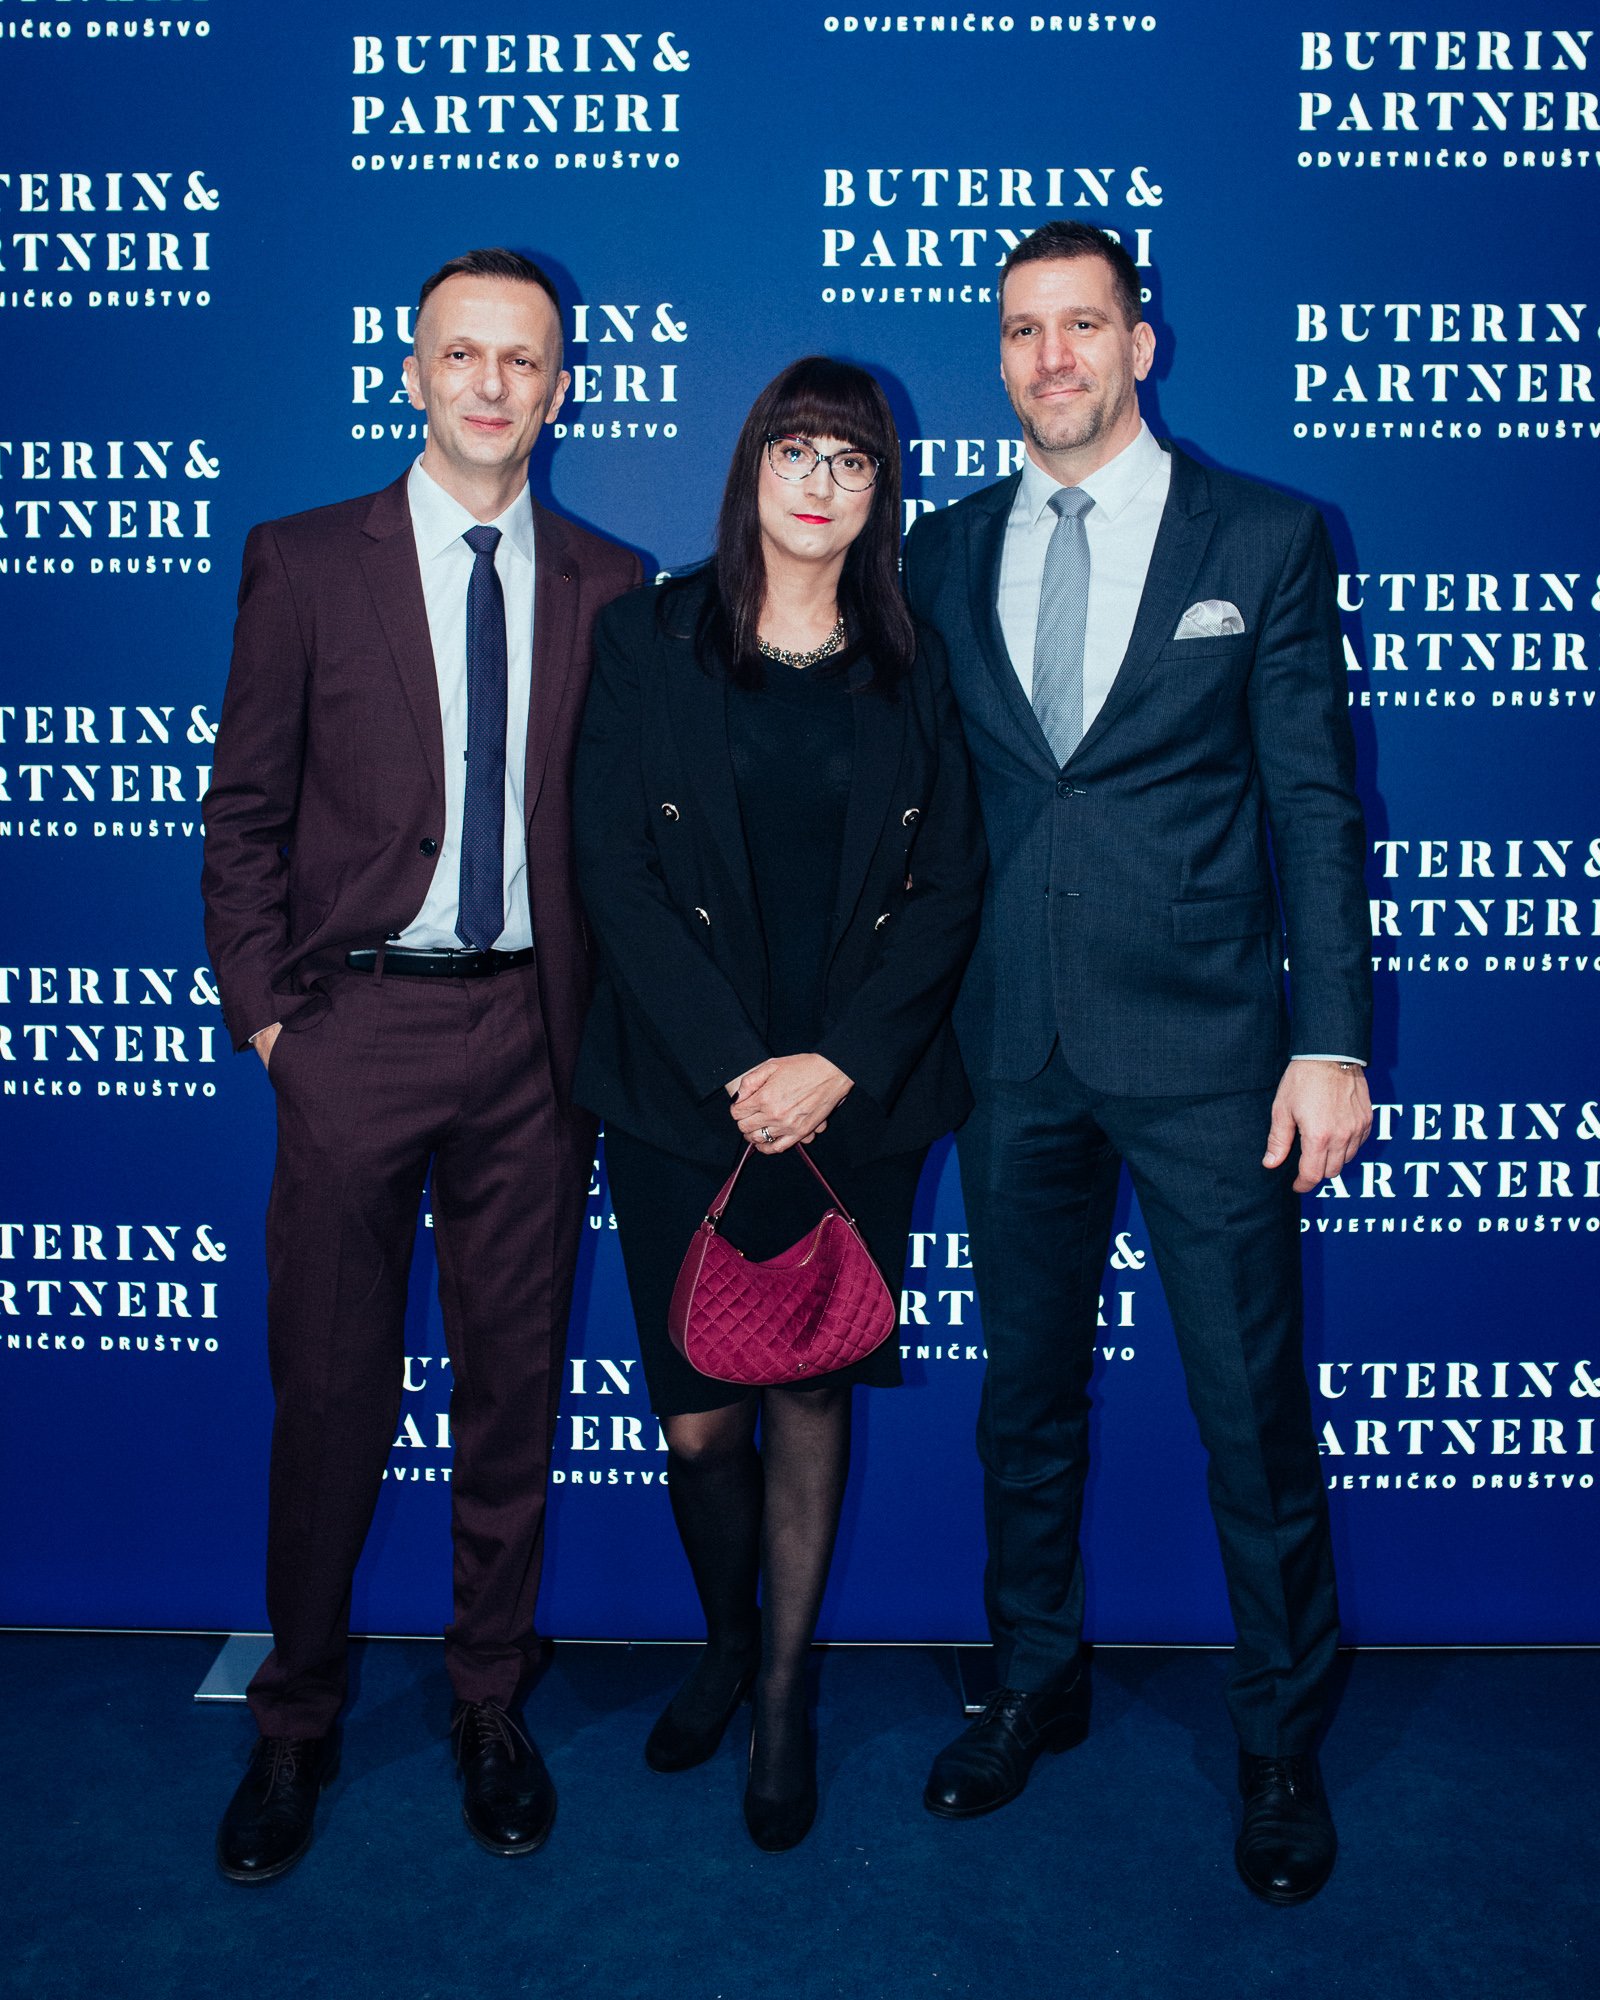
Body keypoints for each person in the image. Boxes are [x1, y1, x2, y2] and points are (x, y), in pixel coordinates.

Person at [903, 221, 1371, 1906]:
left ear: (1141, 344)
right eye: (1023, 330)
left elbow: (1314, 803)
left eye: (1081, 325)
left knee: (1251, 1416)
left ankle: (1277, 1737)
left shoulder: (1262, 534)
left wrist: (1329, 1040)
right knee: (1020, 1403)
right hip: (1008, 1050)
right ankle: (1033, 1678)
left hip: (1207, 1061)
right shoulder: (941, 551)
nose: (1051, 358)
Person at [200, 247, 641, 1882]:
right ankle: (297, 1724)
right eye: (463, 354)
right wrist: (273, 1024)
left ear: (563, 385)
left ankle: (486, 1701)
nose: (490, 385)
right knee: (327, 1393)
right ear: (411, 369)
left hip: (532, 1040)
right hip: (354, 1033)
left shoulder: (612, 582)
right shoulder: (305, 562)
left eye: (523, 361)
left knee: (511, 1393)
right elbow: (242, 815)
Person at [572, 357, 985, 1852]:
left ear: (883, 495)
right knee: (697, 1425)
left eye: (853, 461)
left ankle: (790, 1695)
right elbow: (608, 869)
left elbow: (950, 893)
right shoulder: (646, 639)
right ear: (753, 465)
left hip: (851, 1100)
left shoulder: (916, 660)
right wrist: (736, 1067)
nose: (821, 480)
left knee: (807, 1392)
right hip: (688, 1092)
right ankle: (725, 1646)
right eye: (798, 450)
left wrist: (837, 1066)